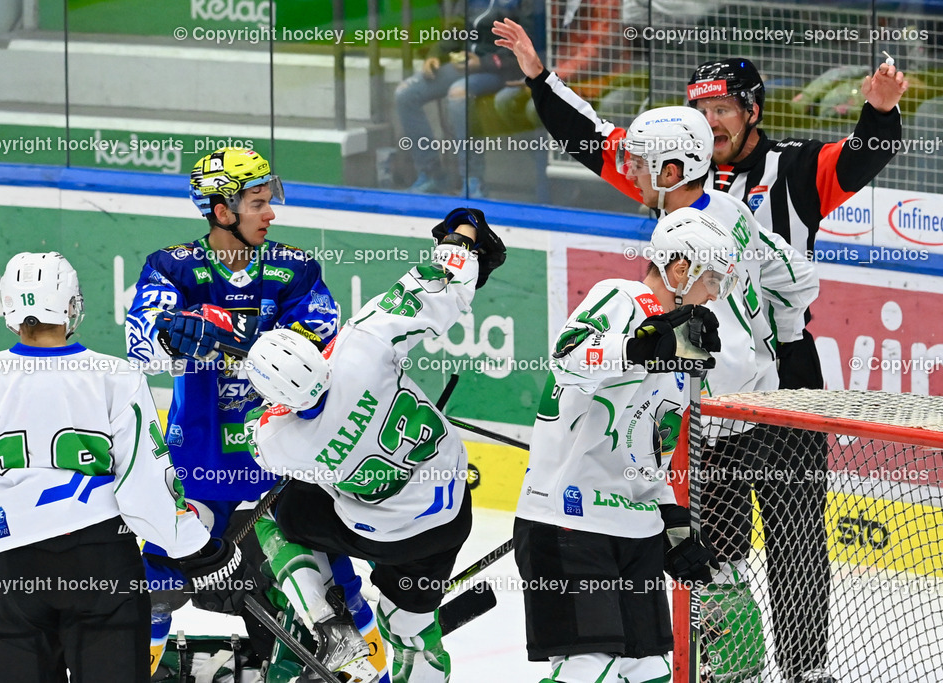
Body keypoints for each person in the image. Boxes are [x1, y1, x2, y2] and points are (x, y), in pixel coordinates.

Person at [492, 22, 906, 679]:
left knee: (796, 540)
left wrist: (790, 339)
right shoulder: (666, 182)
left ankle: (804, 668)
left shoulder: (785, 173)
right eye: (701, 110)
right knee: (711, 550)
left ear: (751, 112)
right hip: (702, 413)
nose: (711, 120)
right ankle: (722, 665)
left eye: (722, 108)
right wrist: (540, 78)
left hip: (774, 400)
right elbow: (594, 140)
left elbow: (807, 257)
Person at [0, 251, 255, 683]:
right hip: (105, 569)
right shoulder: (116, 377)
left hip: (16, 572)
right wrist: (199, 547)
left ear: (10, 309)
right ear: (71, 306)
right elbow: (145, 492)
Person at [244, 208, 507, 682]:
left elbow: (259, 436)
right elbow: (436, 283)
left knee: (268, 517)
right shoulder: (361, 344)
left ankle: (330, 626)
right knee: (409, 626)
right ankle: (414, 642)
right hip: (449, 514)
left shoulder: (279, 441)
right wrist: (464, 243)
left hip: (379, 535)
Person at [124, 146, 343, 671]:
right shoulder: (170, 268)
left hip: (282, 468)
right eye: (257, 203)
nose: (271, 213)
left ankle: (341, 663)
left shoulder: (295, 269)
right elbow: (142, 347)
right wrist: (174, 339)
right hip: (196, 466)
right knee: (154, 588)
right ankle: (131, 668)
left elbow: (322, 341)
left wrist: (226, 332)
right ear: (222, 211)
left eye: (270, 201)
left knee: (323, 594)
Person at [515, 206, 736, 683]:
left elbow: (645, 458)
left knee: (650, 670)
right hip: (568, 519)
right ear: (682, 269)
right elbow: (567, 359)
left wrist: (672, 524)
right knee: (590, 668)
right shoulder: (622, 297)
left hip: (632, 529)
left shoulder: (681, 359)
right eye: (713, 279)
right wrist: (636, 347)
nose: (716, 293)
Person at [395, 0, 527, 197]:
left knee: (458, 94)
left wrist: (483, 62)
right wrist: (436, 54)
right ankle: (432, 175)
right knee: (405, 93)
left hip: (503, 70)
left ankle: (474, 181)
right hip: (466, 64)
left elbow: (528, 44)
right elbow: (457, 27)